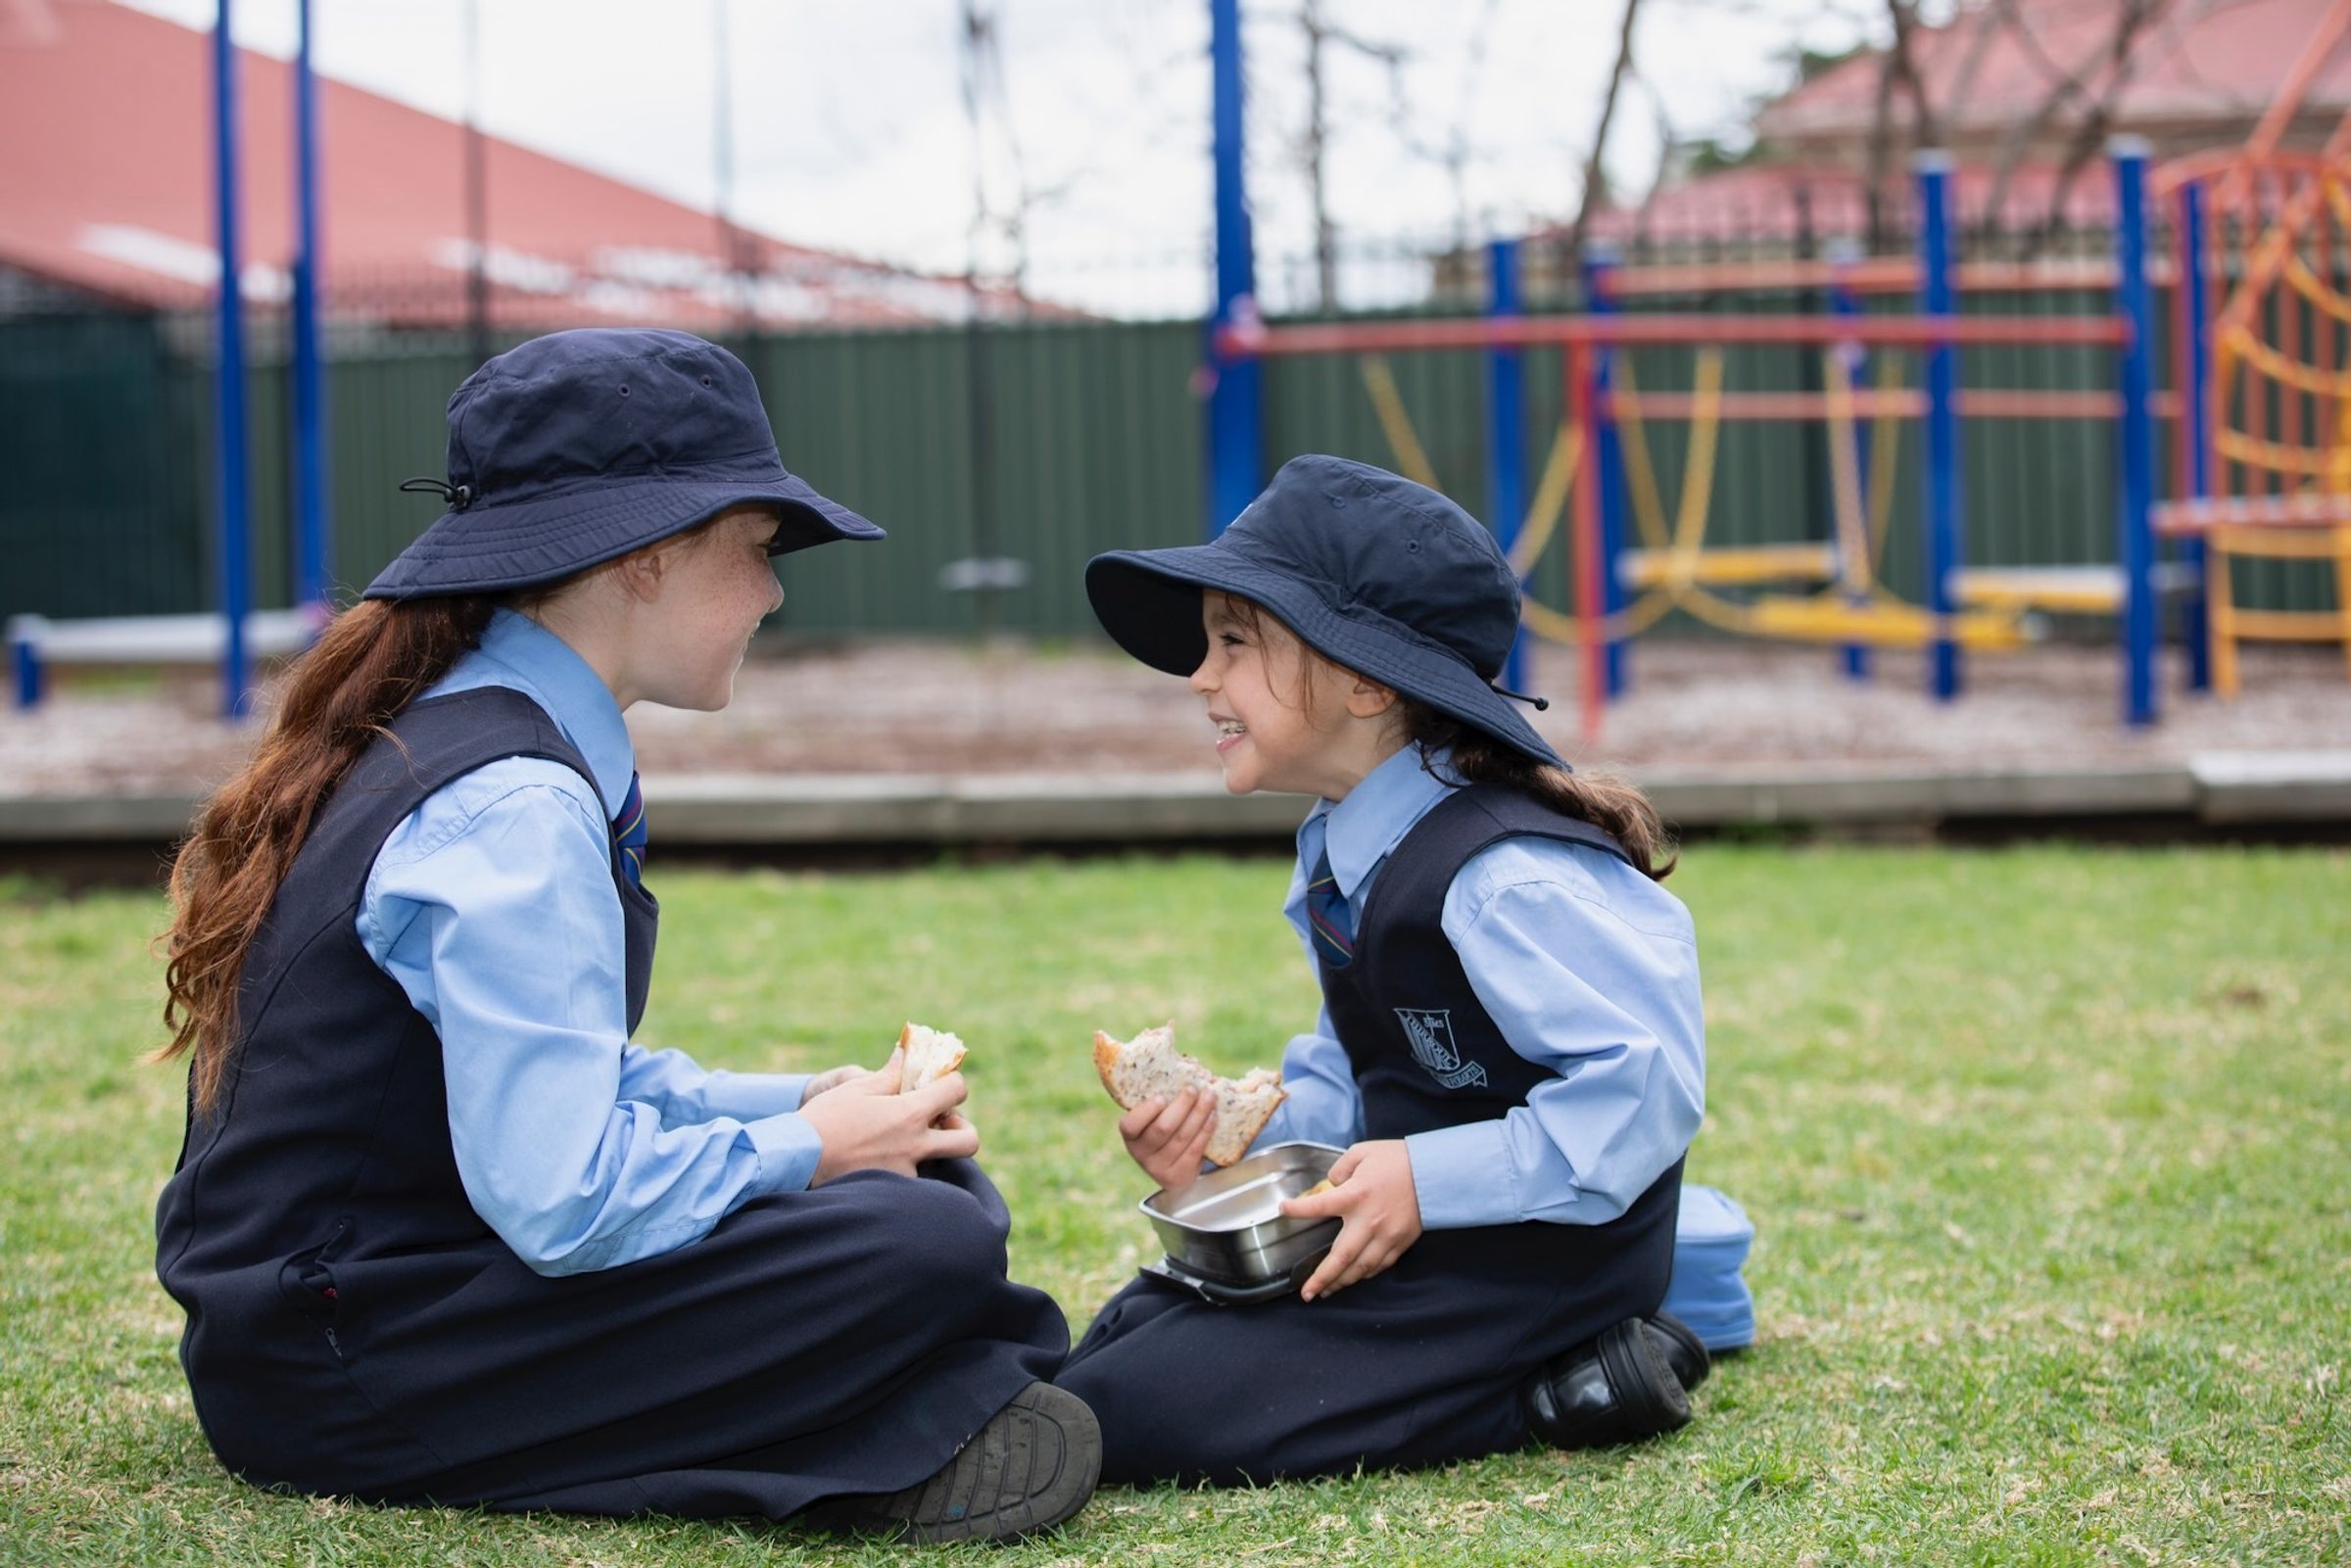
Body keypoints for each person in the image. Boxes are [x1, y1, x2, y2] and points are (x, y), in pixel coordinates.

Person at [153, 328, 1097, 1543]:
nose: (773, 589)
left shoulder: (464, 733)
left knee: (928, 1190)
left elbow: (554, 1083)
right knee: (926, 1240)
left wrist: (803, 1104)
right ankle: (890, 1427)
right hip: (346, 1365)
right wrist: (807, 1146)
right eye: (758, 550)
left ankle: (901, 1410)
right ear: (645, 556)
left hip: (344, 1313)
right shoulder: (518, 800)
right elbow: (560, 1197)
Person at [1057, 453, 1710, 1485]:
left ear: (1362, 677)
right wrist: (1234, 1153)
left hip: (1530, 1258)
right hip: (1415, 1232)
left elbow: (1646, 1093)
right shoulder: (1342, 847)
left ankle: (1581, 1376)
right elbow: (1357, 1071)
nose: (1200, 675)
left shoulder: (1503, 876)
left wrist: (1426, 1176)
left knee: (1135, 1411)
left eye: (1234, 641)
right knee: (1118, 1337)